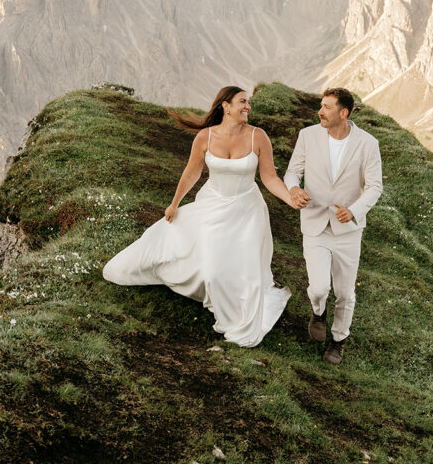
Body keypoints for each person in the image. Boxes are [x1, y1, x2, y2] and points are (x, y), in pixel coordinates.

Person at [103, 86, 297, 347]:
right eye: (242, 102)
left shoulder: (258, 137)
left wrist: (290, 199)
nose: (248, 107)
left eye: (248, 103)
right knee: (207, 270)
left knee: (230, 270)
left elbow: (270, 177)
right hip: (212, 207)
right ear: (226, 106)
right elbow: (192, 173)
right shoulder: (205, 137)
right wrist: (174, 204)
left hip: (247, 213)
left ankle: (236, 300)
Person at [284, 88, 383, 365]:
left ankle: (338, 341)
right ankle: (318, 312)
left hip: (348, 230)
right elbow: (293, 171)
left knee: (345, 292)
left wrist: (353, 211)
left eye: (327, 107)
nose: (320, 111)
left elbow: (375, 187)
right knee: (318, 288)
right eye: (321, 105)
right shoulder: (308, 136)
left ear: (344, 113)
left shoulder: (368, 143)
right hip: (314, 222)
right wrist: (293, 188)